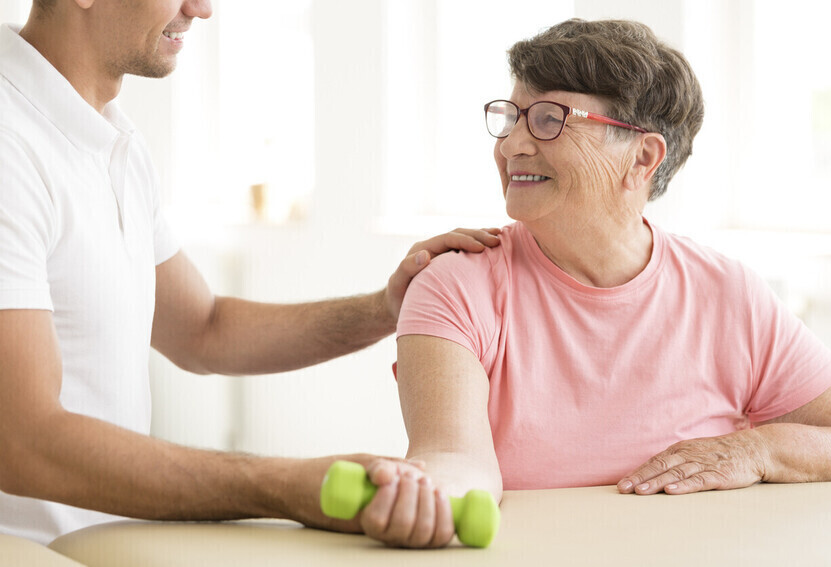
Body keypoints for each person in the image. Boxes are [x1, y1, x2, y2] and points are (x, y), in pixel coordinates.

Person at [0, 0, 501, 545]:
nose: (202, 9)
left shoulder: (113, 141)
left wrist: (384, 308)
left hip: (101, 547)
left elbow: (204, 330)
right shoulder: (11, 144)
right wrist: (285, 486)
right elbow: (22, 442)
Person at [355, 18, 831, 548]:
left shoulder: (729, 293)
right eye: (511, 117)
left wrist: (761, 451)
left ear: (642, 157)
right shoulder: (454, 284)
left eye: (549, 119)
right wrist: (429, 495)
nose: (512, 145)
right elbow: (454, 458)